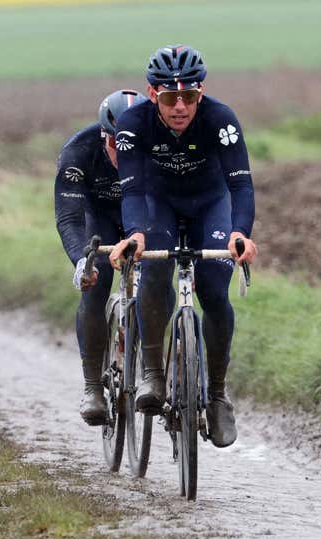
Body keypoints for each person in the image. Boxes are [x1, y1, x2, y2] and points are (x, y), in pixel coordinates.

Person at [108, 45, 259, 448]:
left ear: (201, 92)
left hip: (210, 205)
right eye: (169, 97)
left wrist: (239, 233)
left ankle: (217, 395)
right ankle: (154, 373)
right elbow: (134, 190)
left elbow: (240, 184)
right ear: (152, 93)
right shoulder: (132, 123)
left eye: (188, 97)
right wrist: (136, 232)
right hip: (158, 205)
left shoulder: (220, 119)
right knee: (155, 273)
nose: (179, 107)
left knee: (213, 289)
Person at [54, 89, 141, 425]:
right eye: (115, 146)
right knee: (96, 281)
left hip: (143, 220)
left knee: (155, 283)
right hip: (99, 221)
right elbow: (69, 218)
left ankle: (153, 370)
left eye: (130, 147)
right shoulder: (80, 151)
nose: (123, 155)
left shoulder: (157, 148)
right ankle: (92, 386)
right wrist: (81, 260)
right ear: (103, 135)